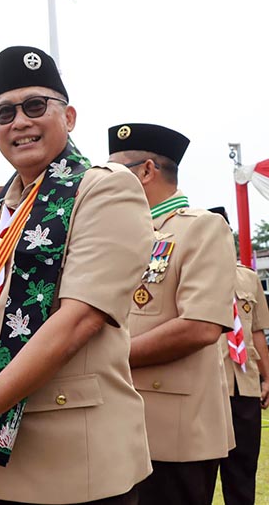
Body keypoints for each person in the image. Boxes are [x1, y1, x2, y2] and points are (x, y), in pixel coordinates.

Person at [0, 45, 154, 505]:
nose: (20, 121)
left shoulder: (103, 188)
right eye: (5, 112)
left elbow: (79, 319)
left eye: (36, 105)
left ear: (70, 116)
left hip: (73, 460)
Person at [107, 123, 236, 505]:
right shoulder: (118, 236)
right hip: (117, 424)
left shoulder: (202, 229)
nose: (106, 183)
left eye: (118, 172)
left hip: (175, 435)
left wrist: (107, 358)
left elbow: (200, 326)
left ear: (147, 171)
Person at [208, 206, 269, 505]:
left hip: (244, 385)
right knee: (199, 473)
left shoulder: (248, 278)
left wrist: (267, 378)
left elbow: (256, 331)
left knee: (243, 470)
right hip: (205, 388)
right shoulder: (193, 276)